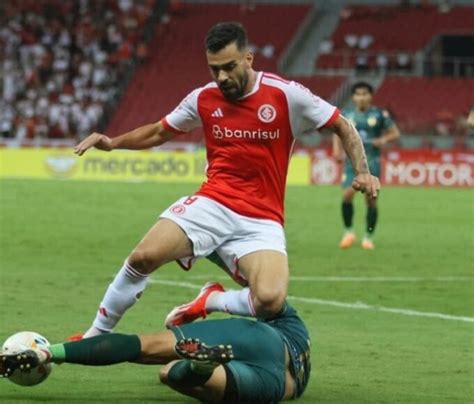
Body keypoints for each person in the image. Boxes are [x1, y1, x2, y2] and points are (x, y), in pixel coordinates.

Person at [73, 22, 380, 338]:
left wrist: (362, 171)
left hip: (262, 218)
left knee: (270, 301)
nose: (221, 77)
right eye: (214, 69)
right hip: (213, 202)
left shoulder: (285, 95)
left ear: (249, 58)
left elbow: (342, 124)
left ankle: (213, 299)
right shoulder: (203, 98)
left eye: (229, 67)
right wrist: (112, 142)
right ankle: (95, 336)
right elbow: (158, 131)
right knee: (143, 257)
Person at [1, 298, 311, 403]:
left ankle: (48, 353)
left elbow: (261, 297)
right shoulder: (293, 326)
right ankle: (197, 367)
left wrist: (212, 301)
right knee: (171, 375)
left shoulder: (288, 318)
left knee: (152, 353)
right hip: (281, 386)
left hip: (260, 338)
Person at [333, 82, 400, 250]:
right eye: (358, 94)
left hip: (372, 162)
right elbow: (337, 133)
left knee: (370, 200)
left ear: (370, 96)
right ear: (353, 97)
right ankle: (348, 233)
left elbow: (395, 133)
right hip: (352, 162)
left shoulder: (379, 115)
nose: (361, 97)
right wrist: (336, 150)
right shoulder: (346, 114)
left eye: (364, 94)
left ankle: (368, 237)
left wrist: (383, 140)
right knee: (347, 195)